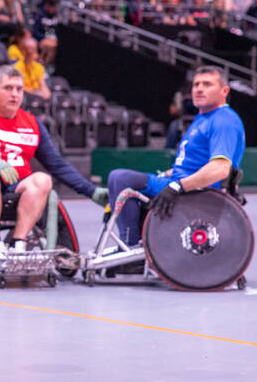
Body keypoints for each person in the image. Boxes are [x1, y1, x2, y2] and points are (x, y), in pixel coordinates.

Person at [0, 66, 107, 259]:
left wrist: (91, 191)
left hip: (15, 189)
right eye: (8, 88)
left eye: (19, 89)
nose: (14, 94)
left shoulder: (32, 123)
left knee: (42, 180)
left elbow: (57, 165)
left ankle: (18, 243)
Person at [105, 66, 245, 262]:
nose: (198, 89)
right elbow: (189, 165)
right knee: (119, 182)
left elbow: (220, 169)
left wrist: (176, 186)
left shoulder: (224, 121)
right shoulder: (203, 118)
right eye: (196, 84)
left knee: (121, 178)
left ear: (224, 91)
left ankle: (130, 251)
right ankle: (133, 243)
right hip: (181, 182)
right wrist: (166, 177)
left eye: (207, 84)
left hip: (198, 193)